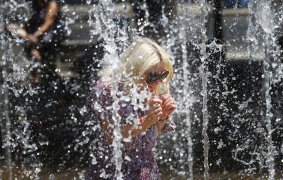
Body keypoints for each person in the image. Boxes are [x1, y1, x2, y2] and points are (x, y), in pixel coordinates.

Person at [87, 37, 176, 179]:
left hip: (145, 169)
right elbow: (111, 137)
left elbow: (148, 138)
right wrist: (147, 120)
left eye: (162, 74)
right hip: (112, 168)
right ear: (136, 69)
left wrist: (162, 117)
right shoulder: (108, 90)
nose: (159, 81)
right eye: (152, 76)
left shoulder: (157, 86)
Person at [6, 0, 66, 75]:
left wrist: (31, 36)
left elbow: (47, 25)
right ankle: (37, 72)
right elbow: (33, 20)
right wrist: (20, 27)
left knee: (31, 48)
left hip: (51, 35)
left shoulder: (52, 4)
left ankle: (39, 73)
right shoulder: (38, 3)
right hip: (40, 35)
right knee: (13, 29)